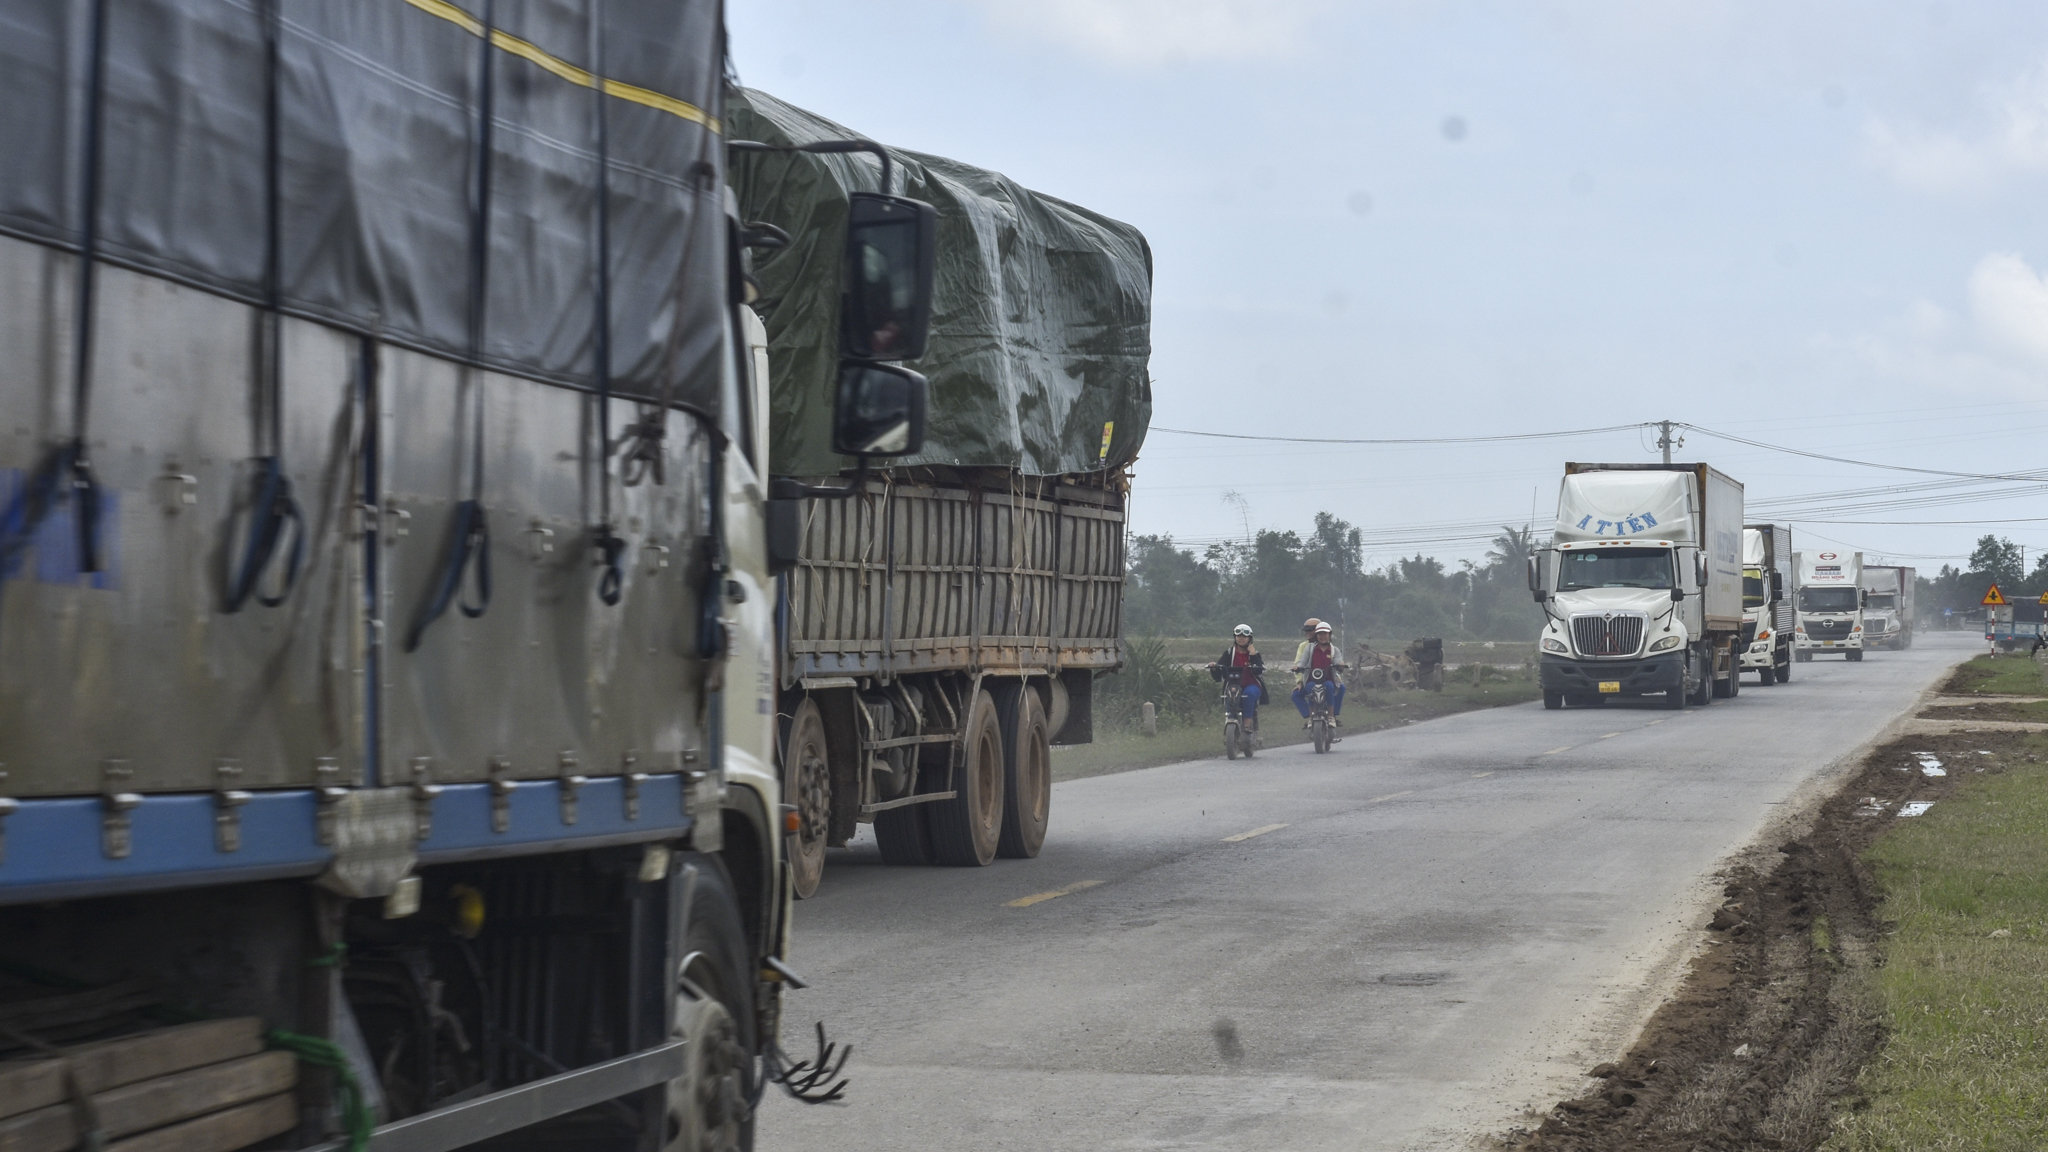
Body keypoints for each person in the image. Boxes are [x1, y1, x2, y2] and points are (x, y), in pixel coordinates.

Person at [1208, 624, 1265, 732]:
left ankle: (1247, 725)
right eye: (1239, 636)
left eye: (1244, 636)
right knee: (1231, 694)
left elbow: (1259, 670)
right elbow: (1220, 670)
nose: (1241, 638)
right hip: (1233, 684)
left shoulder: (1254, 654)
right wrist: (1214, 668)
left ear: (1250, 638)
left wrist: (1252, 654)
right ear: (1235, 637)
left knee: (1248, 694)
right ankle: (1230, 719)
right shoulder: (1229, 653)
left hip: (1251, 684)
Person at [1292, 621, 1348, 724]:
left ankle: (1331, 716)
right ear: (1316, 635)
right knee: (1310, 688)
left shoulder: (1334, 650)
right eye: (1320, 634)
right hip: (1311, 679)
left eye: (1325, 634)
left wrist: (1340, 664)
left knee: (1330, 687)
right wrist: (1298, 667)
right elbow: (1302, 661)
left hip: (1328, 679)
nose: (1322, 637)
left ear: (1330, 635)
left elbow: (1337, 661)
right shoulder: (1309, 648)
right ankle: (1311, 717)